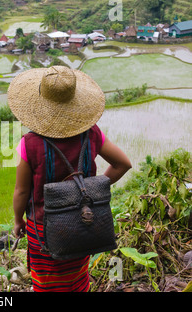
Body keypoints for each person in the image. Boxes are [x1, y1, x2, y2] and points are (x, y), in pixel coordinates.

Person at [8, 66, 132, 292]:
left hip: (43, 229)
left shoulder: (29, 144)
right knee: (77, 278)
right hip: (84, 222)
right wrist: (92, 189)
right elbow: (123, 164)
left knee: (47, 283)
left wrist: (18, 221)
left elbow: (21, 192)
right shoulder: (92, 133)